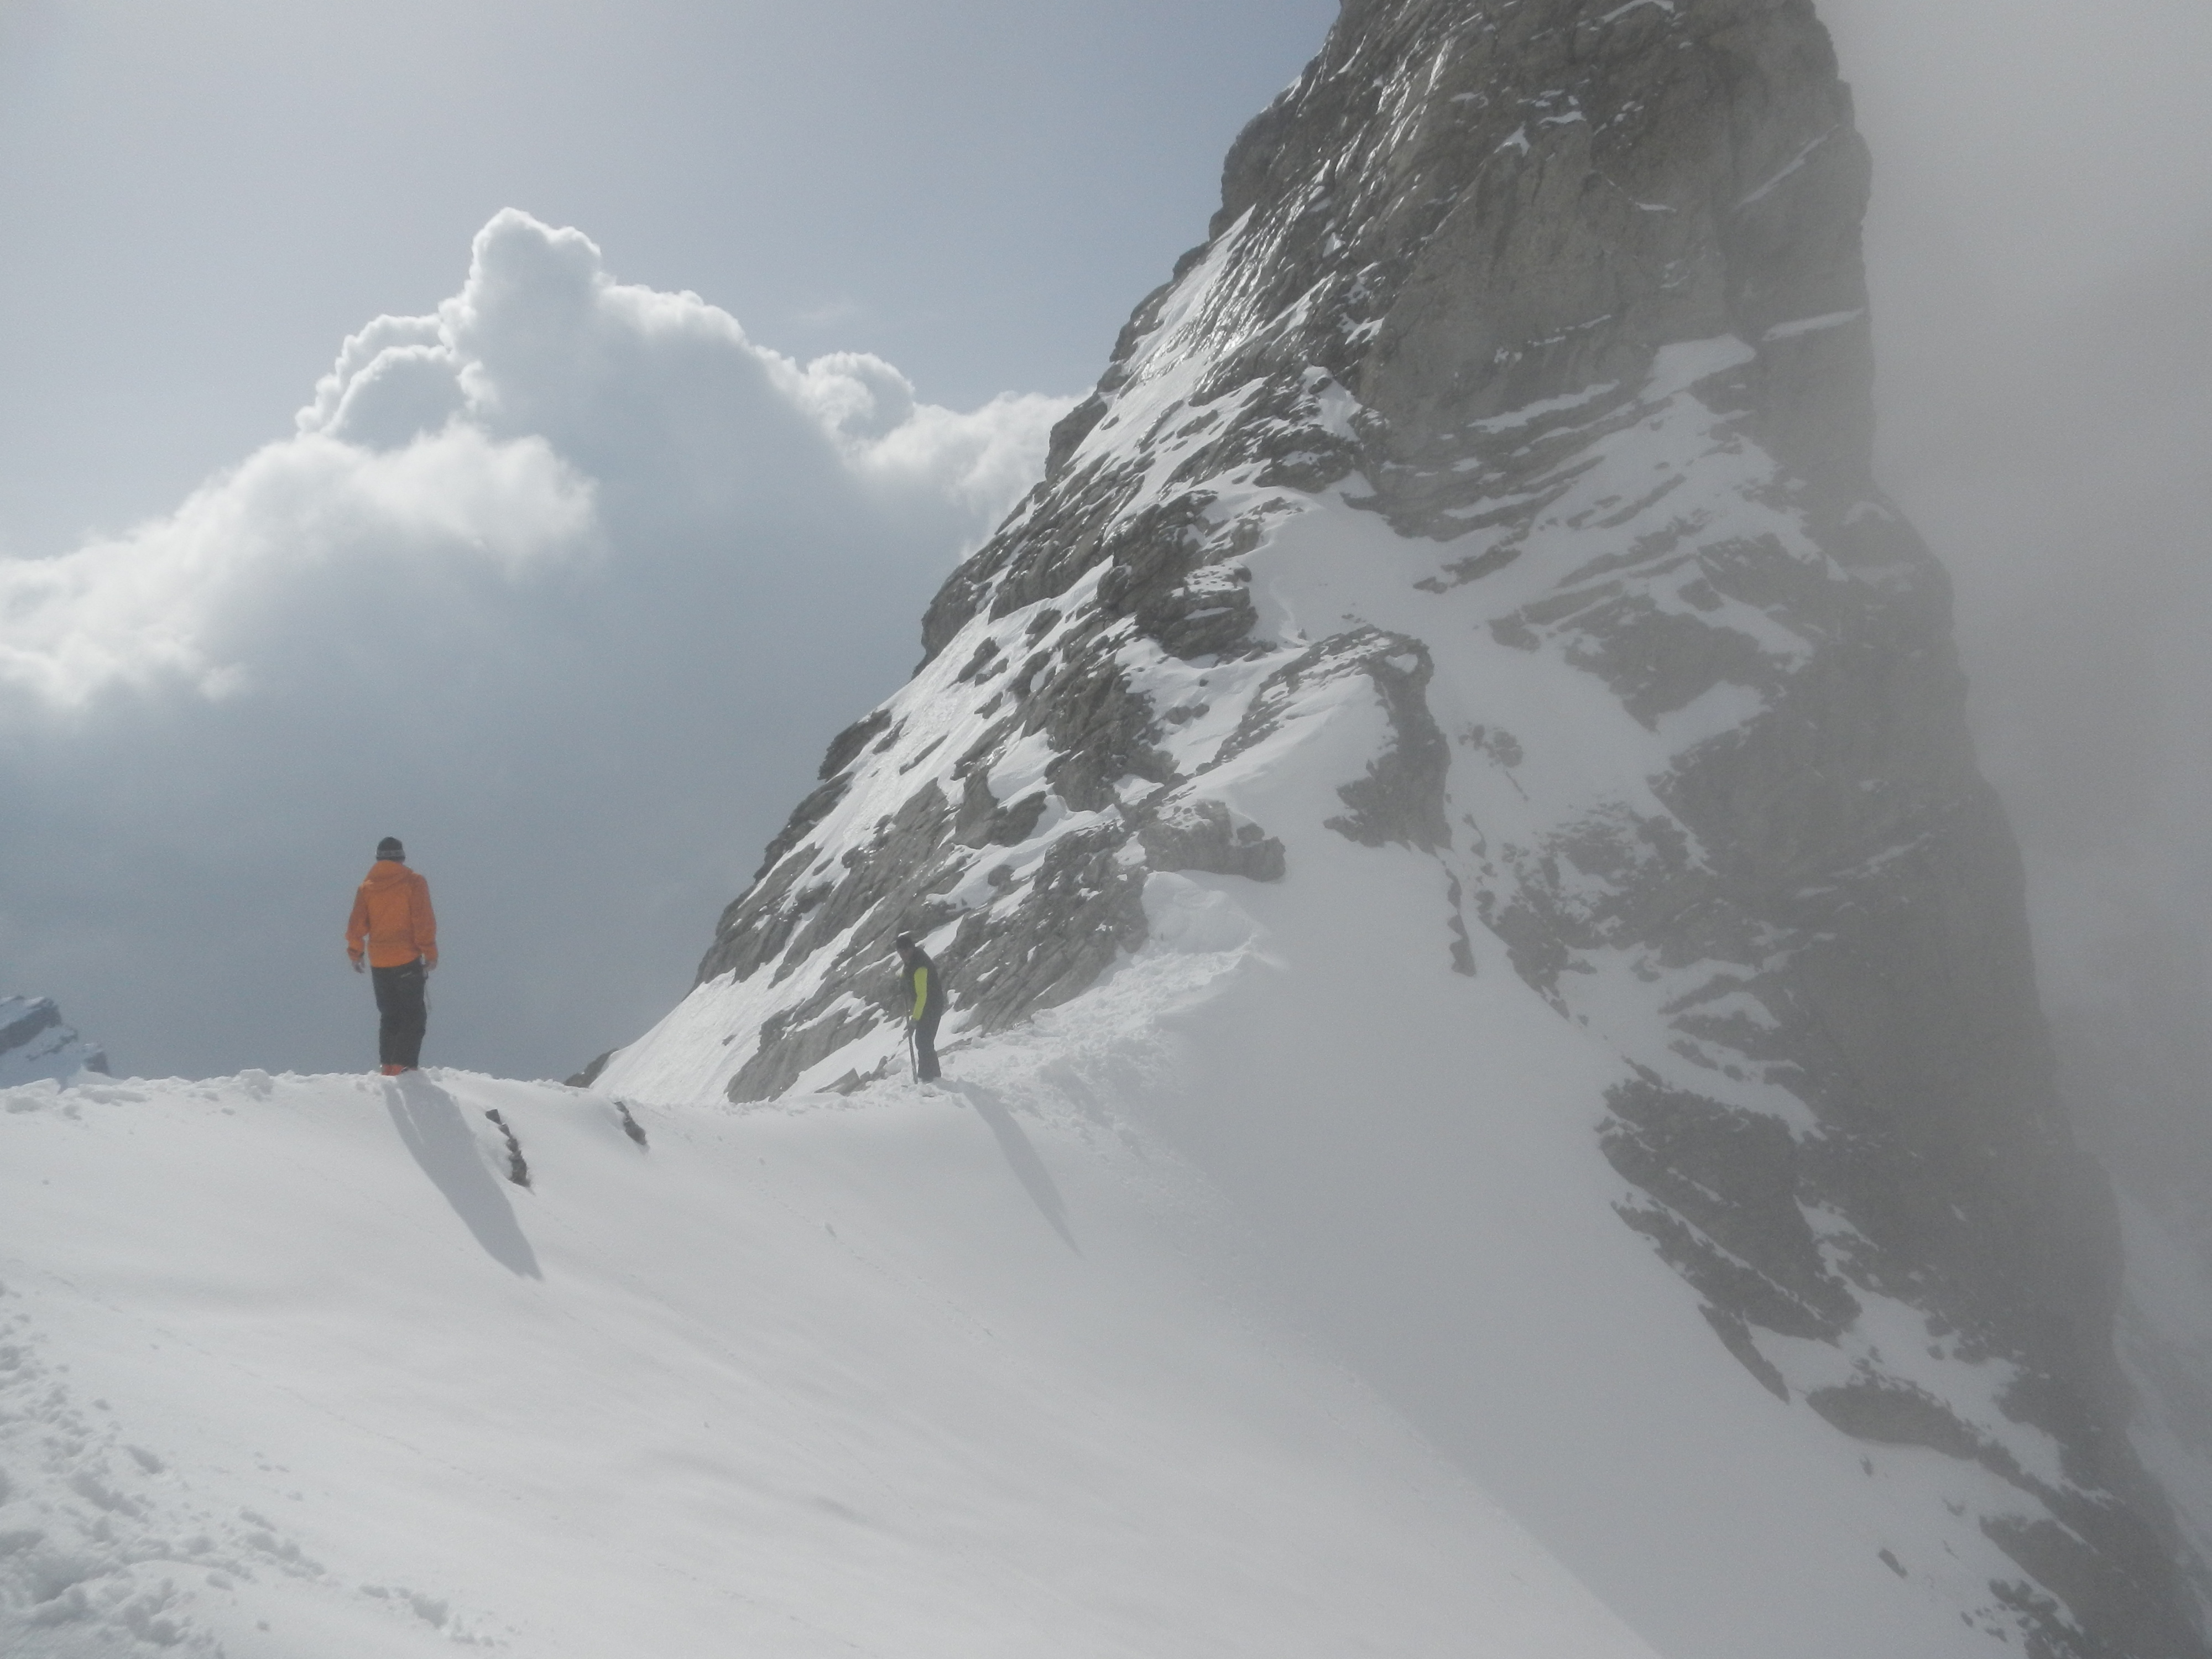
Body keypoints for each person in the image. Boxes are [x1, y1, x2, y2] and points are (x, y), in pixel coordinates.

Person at [346, 837, 438, 1076]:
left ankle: (387, 1066)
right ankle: (403, 1067)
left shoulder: (367, 887)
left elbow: (356, 925)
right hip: (406, 958)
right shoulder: (414, 882)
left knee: (390, 1015)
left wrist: (356, 953)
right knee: (413, 1016)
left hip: (379, 961)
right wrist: (430, 952)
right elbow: (422, 920)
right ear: (402, 858)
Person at [894, 933, 946, 1083]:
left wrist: (915, 1020)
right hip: (927, 1005)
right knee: (924, 1042)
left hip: (932, 1005)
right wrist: (903, 980)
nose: (903, 955)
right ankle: (933, 1075)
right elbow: (907, 971)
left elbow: (922, 996)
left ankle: (928, 1077)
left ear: (911, 948)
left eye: (905, 951)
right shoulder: (912, 959)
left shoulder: (920, 966)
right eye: (900, 952)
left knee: (923, 1042)